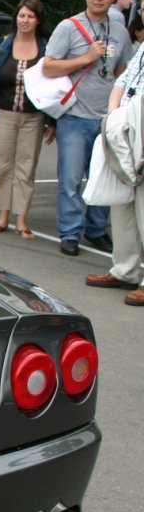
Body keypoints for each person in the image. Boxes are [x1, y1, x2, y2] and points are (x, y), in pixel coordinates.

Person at [43, 0, 132, 256]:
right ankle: (70, 232)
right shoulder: (68, 27)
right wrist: (86, 58)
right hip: (74, 116)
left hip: (106, 118)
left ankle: (96, 229)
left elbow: (122, 70)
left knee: (103, 176)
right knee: (71, 180)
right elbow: (49, 66)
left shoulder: (120, 31)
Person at [0, 0, 54, 241]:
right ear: (16, 18)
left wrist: (52, 121)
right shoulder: (1, 45)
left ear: (38, 20)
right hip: (2, 113)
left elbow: (54, 85)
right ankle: (2, 216)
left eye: (30, 16)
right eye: (21, 15)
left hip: (33, 116)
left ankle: (22, 219)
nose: (25, 20)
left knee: (26, 167)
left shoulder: (46, 49)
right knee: (4, 166)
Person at [83, 21, 144, 305]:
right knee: (122, 205)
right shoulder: (142, 47)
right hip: (126, 126)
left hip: (139, 125)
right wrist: (114, 116)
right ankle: (125, 269)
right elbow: (122, 80)